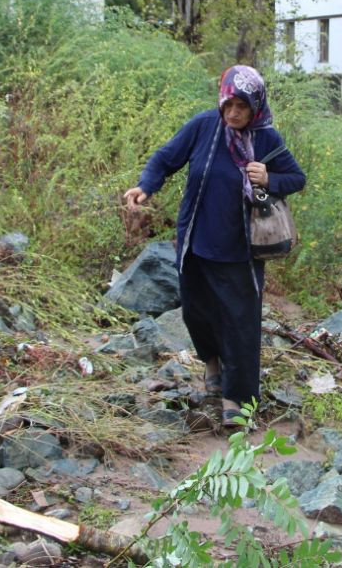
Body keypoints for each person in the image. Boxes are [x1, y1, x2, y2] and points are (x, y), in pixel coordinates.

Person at [124, 65, 305, 429]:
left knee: (240, 323)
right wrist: (146, 186)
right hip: (196, 242)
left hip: (240, 250)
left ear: (256, 107)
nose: (235, 113)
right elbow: (165, 158)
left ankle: (237, 399)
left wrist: (270, 178)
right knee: (196, 312)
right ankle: (212, 364)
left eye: (243, 106)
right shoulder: (204, 126)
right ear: (221, 101)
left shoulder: (266, 140)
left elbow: (296, 178)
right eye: (229, 105)